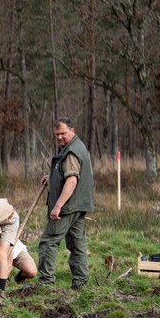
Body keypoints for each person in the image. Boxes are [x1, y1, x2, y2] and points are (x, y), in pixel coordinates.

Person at [38, 117, 94, 289]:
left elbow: (71, 181)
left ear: (72, 130)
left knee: (48, 241)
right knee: (77, 244)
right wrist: (53, 177)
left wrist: (58, 206)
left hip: (68, 206)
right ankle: (80, 283)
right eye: (57, 134)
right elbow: (70, 173)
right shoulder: (78, 146)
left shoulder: (70, 152)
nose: (60, 137)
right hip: (79, 205)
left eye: (63, 133)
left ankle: (45, 282)